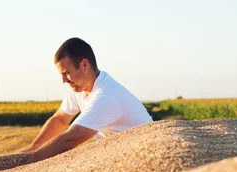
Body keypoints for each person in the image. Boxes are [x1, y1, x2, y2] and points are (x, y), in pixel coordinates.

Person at [22, 37, 153, 163]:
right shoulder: (80, 89)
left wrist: (29, 159)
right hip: (121, 154)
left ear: (84, 65)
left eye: (66, 73)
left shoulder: (106, 96)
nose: (63, 80)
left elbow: (71, 138)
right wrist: (34, 148)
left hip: (146, 155)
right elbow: (60, 119)